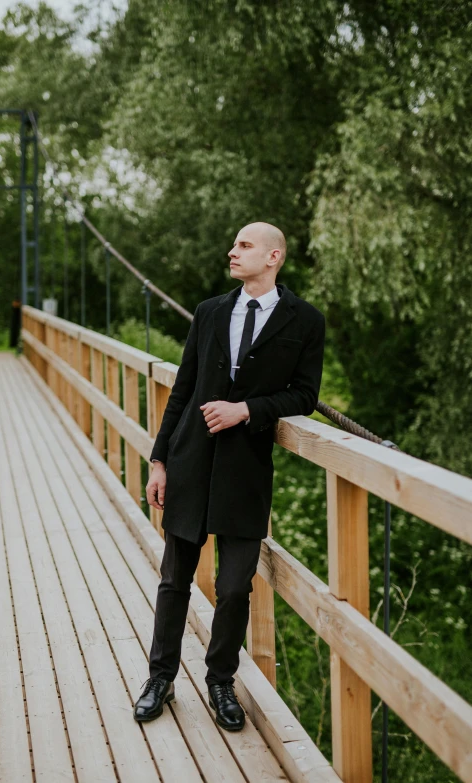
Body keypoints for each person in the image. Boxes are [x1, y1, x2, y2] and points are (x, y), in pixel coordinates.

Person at [133, 222, 325, 731]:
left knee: (235, 586)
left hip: (246, 471)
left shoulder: (306, 320)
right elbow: (184, 388)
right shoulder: (210, 311)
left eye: (244, 245)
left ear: (274, 256)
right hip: (190, 460)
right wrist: (159, 460)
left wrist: (247, 410)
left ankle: (221, 681)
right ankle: (160, 678)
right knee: (174, 580)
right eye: (234, 243)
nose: (232, 251)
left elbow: (305, 395)